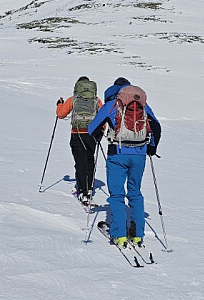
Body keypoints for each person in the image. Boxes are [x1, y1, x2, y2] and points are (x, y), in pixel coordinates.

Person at [87, 83, 161, 248]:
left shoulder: (111, 105)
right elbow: (156, 126)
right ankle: (137, 235)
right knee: (135, 193)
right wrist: (151, 148)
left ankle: (119, 234)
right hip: (139, 155)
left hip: (117, 154)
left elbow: (92, 128)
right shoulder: (142, 105)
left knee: (117, 195)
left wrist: (99, 135)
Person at [56, 76, 102, 204]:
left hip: (77, 134)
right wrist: (100, 134)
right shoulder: (96, 100)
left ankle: (82, 190)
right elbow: (102, 117)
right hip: (92, 135)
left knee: (80, 162)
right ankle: (89, 188)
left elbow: (61, 115)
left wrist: (59, 104)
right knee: (90, 160)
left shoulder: (73, 100)